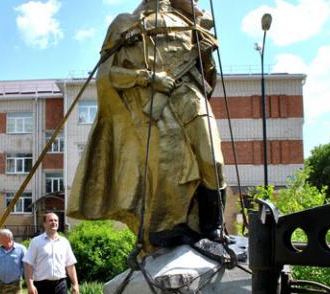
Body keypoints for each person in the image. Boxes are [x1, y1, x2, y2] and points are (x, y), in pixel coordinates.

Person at [67, 0, 226, 251]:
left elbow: (207, 77)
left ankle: (212, 226)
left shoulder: (188, 22)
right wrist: (147, 77)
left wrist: (204, 53)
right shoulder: (125, 23)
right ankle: (167, 230)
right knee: (166, 166)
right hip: (153, 103)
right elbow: (108, 75)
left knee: (212, 158)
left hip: (190, 95)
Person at [23, 212, 80, 294]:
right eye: (50, 220)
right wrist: (30, 285)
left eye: (56, 220)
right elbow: (28, 264)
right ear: (44, 224)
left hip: (60, 286)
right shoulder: (36, 242)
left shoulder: (64, 242)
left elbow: (70, 265)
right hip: (41, 286)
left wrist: (75, 284)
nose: (53, 222)